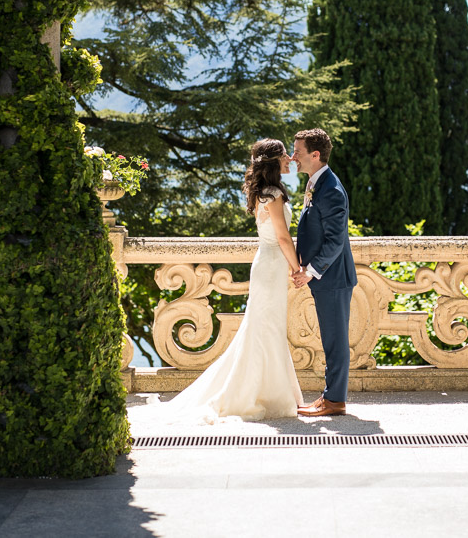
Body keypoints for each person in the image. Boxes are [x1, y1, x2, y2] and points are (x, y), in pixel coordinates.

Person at [147, 139, 304, 422]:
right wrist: (297, 268)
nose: (289, 159)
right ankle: (265, 395)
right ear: (273, 161)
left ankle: (267, 392)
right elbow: (283, 238)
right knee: (268, 329)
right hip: (272, 265)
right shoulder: (274, 194)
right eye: (284, 155)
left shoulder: (263, 193)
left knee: (263, 328)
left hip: (266, 263)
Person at [291, 128, 357, 417]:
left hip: (332, 278)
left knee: (335, 341)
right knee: (331, 339)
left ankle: (334, 401)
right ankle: (330, 397)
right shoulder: (319, 183)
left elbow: (335, 241)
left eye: (298, 152)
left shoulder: (330, 189)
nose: (293, 157)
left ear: (315, 155)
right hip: (327, 278)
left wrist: (310, 271)